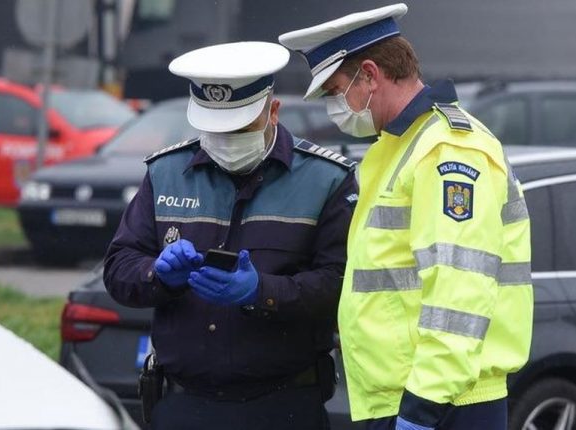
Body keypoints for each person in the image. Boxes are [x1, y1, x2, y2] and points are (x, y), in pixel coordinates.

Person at [279, 4, 533, 430]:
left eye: (336, 91)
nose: (334, 108)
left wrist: (422, 408)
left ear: (370, 75)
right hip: (408, 396)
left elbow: (459, 289)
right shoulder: (399, 146)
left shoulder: (446, 150)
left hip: (442, 403)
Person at [103, 41, 358, 430]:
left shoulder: (325, 180)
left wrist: (262, 292)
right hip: (183, 404)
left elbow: (342, 285)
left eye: (241, 128)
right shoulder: (166, 172)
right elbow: (119, 268)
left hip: (284, 405)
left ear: (273, 111)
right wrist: (158, 274)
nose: (226, 140)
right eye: (215, 129)